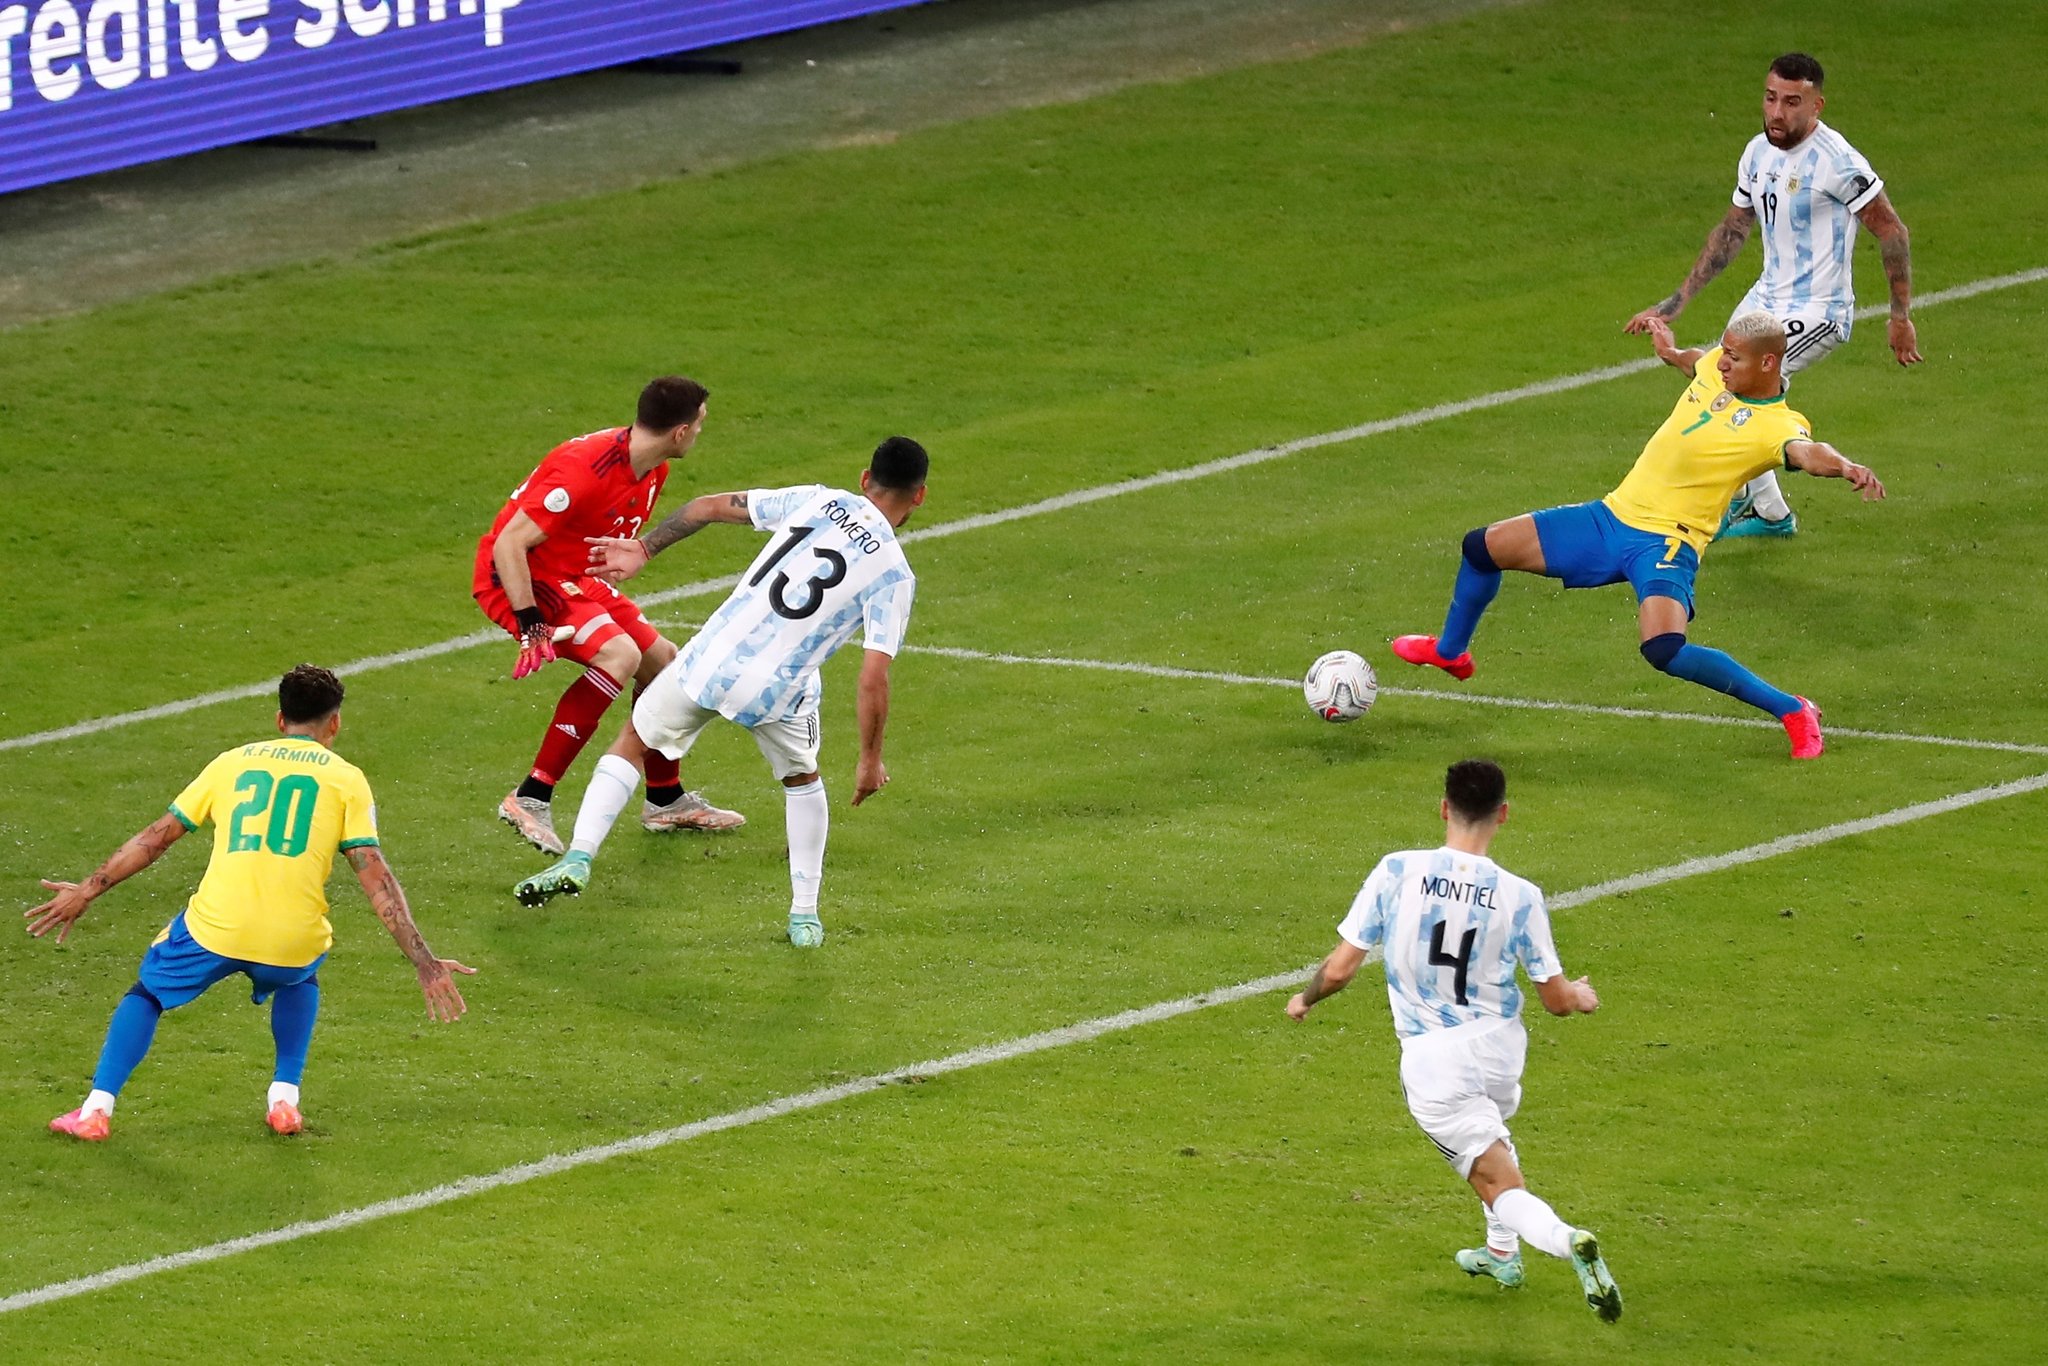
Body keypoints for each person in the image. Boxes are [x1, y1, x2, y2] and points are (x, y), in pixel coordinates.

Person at [1389, 311, 1885, 759]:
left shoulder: (1776, 425)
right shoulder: (1715, 369)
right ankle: (1451, 653)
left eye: (1734, 357)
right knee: (1482, 547)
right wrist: (1669, 349)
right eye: (1724, 351)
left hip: (1667, 542)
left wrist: (1847, 467)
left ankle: (1793, 709)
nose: (1723, 362)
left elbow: (1808, 452)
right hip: (1610, 517)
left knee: (1664, 649)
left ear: (1768, 363)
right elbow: (1695, 361)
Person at [513, 436, 929, 949]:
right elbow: (872, 677)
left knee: (634, 741)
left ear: (865, 479)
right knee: (802, 782)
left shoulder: (817, 500)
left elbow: (706, 507)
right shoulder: (893, 574)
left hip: (709, 660)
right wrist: (869, 759)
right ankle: (804, 917)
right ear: (919, 496)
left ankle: (580, 855)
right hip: (778, 689)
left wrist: (645, 547)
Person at [26, 666, 474, 1141]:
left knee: (148, 994)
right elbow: (375, 877)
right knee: (300, 974)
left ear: (280, 719)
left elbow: (156, 839)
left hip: (215, 928)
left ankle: (95, 1111)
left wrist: (87, 890)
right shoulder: (347, 780)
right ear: (335, 723)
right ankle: (284, 1100)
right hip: (291, 938)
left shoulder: (231, 763)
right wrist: (424, 961)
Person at [1286, 760, 1621, 1322]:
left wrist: (1305, 998)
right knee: (1492, 1138)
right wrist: (1582, 997)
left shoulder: (1397, 870)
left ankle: (1568, 1241)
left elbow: (1341, 970)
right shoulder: (1520, 895)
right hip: (1500, 1049)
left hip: (1436, 1060)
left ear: (1444, 807)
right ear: (1503, 814)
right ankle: (1501, 1254)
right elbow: (1557, 999)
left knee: (1495, 1180)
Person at [1626, 51, 1919, 540]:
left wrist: (1900, 316)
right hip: (1765, 298)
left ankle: (1754, 504)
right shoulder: (1756, 153)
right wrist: (1677, 301)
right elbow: (1733, 230)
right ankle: (1767, 510)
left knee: (1742, 388)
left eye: (1791, 102)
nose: (1777, 113)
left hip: (1819, 309)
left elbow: (1892, 230)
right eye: (1770, 98)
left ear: (1816, 105)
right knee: (1722, 379)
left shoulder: (1838, 162)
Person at [474, 375, 742, 857]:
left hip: (571, 575)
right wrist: (531, 623)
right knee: (619, 654)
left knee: (664, 663)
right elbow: (510, 543)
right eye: (700, 423)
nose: (701, 432)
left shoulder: (651, 468)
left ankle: (664, 799)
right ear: (680, 431)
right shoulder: (585, 468)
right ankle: (531, 796)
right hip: (522, 577)